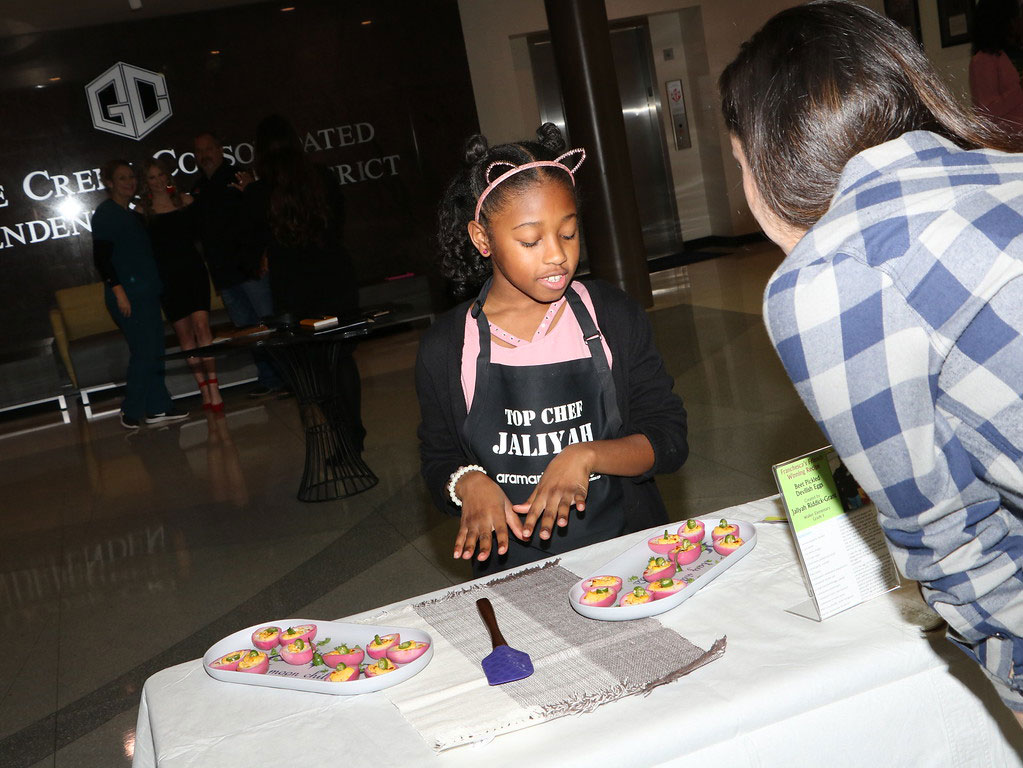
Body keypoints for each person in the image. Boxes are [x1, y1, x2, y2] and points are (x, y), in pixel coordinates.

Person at [720, 0, 1023, 721]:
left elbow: (952, 544)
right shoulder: (1008, 176)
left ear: (771, 155)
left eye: (737, 163)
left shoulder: (832, 274)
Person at [417, 123, 688, 576]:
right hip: (513, 572)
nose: (557, 256)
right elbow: (439, 458)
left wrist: (586, 455)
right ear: (483, 239)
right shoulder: (448, 346)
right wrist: (468, 482)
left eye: (568, 233)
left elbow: (669, 437)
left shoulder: (611, 317)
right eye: (530, 241)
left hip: (629, 556)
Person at [243, 113, 364, 447]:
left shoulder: (258, 192)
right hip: (334, 276)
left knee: (313, 367)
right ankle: (353, 431)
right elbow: (337, 224)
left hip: (294, 286)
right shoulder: (322, 177)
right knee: (340, 358)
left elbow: (252, 241)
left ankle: (339, 433)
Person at [91, 159, 188, 429]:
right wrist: (119, 292)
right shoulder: (106, 213)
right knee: (145, 351)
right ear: (109, 183)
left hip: (146, 294)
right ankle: (131, 410)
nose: (129, 182)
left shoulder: (134, 215)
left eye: (132, 177)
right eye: (122, 178)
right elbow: (101, 258)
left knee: (155, 349)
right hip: (127, 296)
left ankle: (158, 407)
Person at [192, 131, 285, 398]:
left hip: (250, 269)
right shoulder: (198, 188)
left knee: (269, 325)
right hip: (224, 275)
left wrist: (265, 254)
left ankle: (291, 375)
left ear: (220, 149)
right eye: (199, 152)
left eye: (208, 149)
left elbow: (262, 218)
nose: (204, 155)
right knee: (247, 332)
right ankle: (270, 379)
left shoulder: (239, 177)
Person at [138, 157, 223, 412]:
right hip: (167, 278)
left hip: (193, 271)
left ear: (168, 176)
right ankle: (203, 388)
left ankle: (214, 387)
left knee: (202, 327)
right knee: (185, 335)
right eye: (151, 177)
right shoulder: (143, 212)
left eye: (161, 175)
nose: (157, 181)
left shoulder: (186, 202)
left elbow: (205, 235)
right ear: (146, 182)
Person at [970, 0, 1023, 133]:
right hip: (1010, 143)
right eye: (1016, 16)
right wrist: (1019, 89)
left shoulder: (1017, 52)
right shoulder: (984, 60)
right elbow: (986, 113)